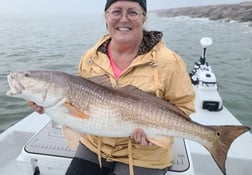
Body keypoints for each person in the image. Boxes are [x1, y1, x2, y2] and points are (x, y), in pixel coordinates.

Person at [28, 0, 195, 175]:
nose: (124, 19)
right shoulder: (90, 57)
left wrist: (154, 135)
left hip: (146, 155)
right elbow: (77, 104)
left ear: (144, 18)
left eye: (132, 12)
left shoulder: (168, 62)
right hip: (94, 145)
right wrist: (48, 106)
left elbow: (184, 107)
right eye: (116, 12)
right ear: (106, 16)